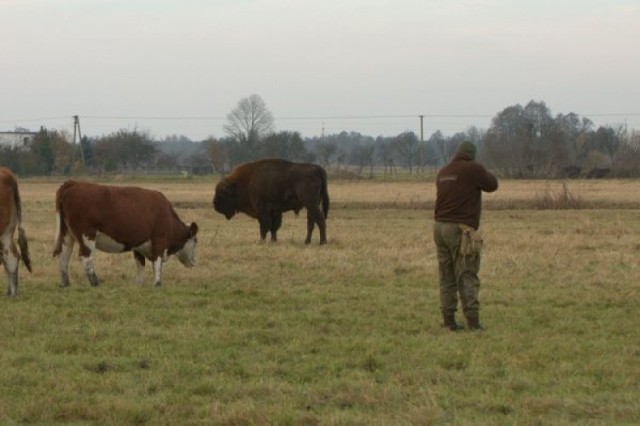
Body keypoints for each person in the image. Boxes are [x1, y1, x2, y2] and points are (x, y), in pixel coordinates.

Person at [433, 141, 498, 331]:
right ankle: (473, 322)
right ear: (472, 155)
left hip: (438, 227)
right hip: (460, 229)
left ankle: (448, 321)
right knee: (467, 273)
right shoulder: (473, 169)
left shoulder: (443, 171)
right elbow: (492, 185)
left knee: (446, 276)